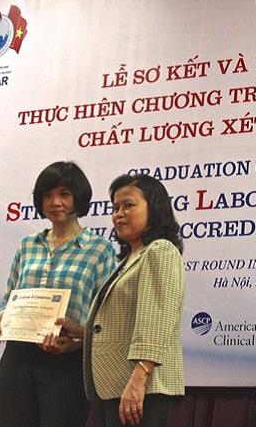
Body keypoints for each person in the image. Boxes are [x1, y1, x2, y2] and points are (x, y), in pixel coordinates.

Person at [0, 161, 118, 427]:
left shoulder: (100, 249)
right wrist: (1, 317)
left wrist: (78, 342)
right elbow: (9, 296)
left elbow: (106, 314)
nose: (55, 202)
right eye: (47, 195)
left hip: (66, 360)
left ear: (78, 198)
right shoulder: (27, 245)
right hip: (17, 357)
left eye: (64, 194)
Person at [54, 173, 186, 427]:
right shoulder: (130, 259)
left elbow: (157, 321)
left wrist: (139, 377)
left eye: (129, 205)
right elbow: (121, 323)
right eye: (115, 208)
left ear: (155, 208)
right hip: (118, 384)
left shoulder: (160, 251)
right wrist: (83, 331)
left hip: (141, 385)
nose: (119, 214)